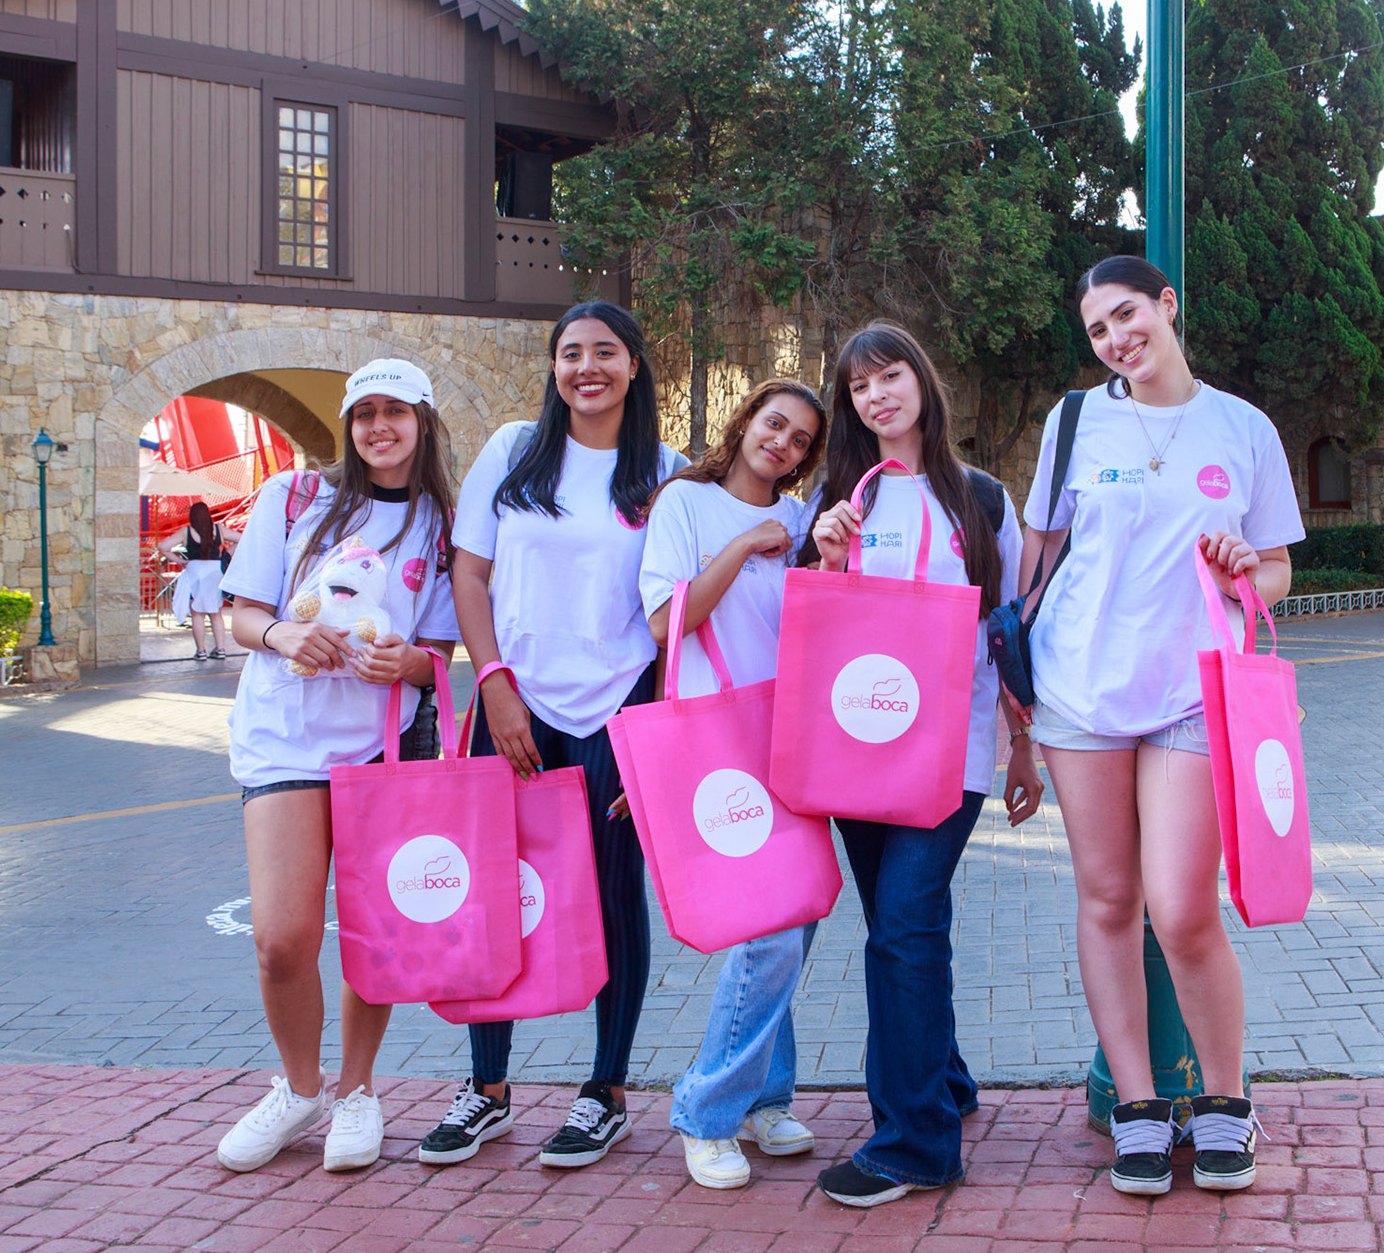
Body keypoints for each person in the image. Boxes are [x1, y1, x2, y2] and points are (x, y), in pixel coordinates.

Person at [1019, 255, 1302, 1196]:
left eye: (1128, 315)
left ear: (1167, 306)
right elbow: (1039, 563)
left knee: (1182, 908)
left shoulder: (1244, 427)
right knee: (1108, 901)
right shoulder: (1072, 422)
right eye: (1099, 329)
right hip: (1079, 695)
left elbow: (1276, 574)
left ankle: (1226, 1104)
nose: (1116, 339)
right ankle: (1137, 1107)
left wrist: (1241, 571)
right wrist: (1018, 698)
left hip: (1194, 692)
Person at [420, 301, 687, 1171]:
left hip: (619, 712)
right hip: (516, 709)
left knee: (613, 899)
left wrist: (652, 732)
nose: (586, 368)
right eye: (570, 354)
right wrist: (494, 683)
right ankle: (486, 1090)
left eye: (605, 352)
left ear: (636, 365)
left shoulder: (669, 477)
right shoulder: (511, 451)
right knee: (495, 894)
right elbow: (471, 573)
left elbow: (683, 612)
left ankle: (604, 1090)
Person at [799, 321, 1039, 1208]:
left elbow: (1008, 631)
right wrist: (825, 557)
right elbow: (818, 629)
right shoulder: (841, 500)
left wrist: (1024, 745)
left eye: (889, 375)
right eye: (859, 387)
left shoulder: (979, 496)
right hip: (859, 748)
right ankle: (944, 1084)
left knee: (902, 925)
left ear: (921, 382)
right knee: (900, 929)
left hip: (954, 750)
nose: (876, 396)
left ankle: (915, 1143)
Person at [216, 359, 459, 1174]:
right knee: (281, 939)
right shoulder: (294, 498)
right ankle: (299, 1088)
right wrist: (284, 634)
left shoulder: (442, 522)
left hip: (380, 746)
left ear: (423, 422)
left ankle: (357, 1092)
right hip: (283, 736)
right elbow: (241, 616)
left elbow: (441, 654)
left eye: (396, 412)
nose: (379, 428)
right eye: (365, 414)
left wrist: (409, 663)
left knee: (373, 934)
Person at [637, 378, 829, 1190]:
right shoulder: (684, 504)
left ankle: (763, 1099)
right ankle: (706, 1109)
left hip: (791, 735)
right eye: (772, 424)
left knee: (800, 911)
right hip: (719, 739)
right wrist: (744, 546)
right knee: (767, 930)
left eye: (798, 441)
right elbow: (665, 623)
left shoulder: (802, 523)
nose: (780, 443)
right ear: (745, 419)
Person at [159, 501, 240, 659]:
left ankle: (201, 651)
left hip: (195, 570)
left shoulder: (186, 532)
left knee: (197, 613)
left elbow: (163, 547)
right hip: (216, 570)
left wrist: (179, 561)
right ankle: (221, 649)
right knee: (216, 612)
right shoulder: (218, 530)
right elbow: (242, 538)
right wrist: (227, 554)